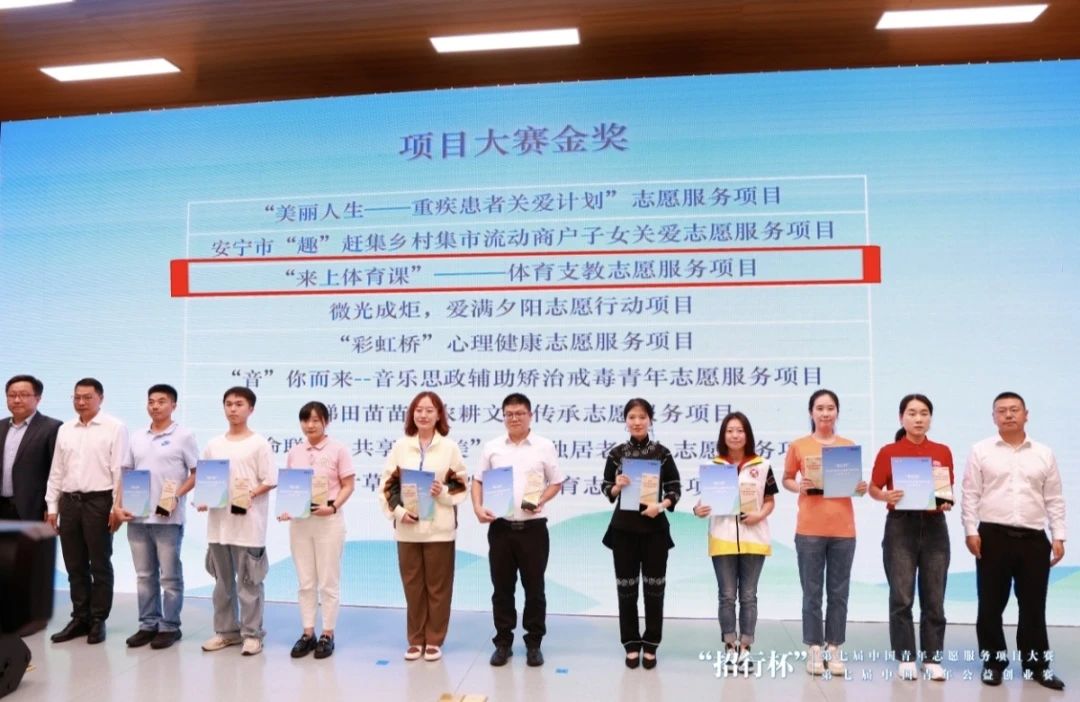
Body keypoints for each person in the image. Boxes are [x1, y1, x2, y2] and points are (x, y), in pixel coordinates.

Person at [961, 391, 1066, 691]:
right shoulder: (981, 450)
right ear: (993, 417)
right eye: (1002, 410)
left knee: (1034, 605)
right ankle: (993, 663)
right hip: (992, 536)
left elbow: (1054, 498)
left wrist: (1058, 535)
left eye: (1014, 409)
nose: (1008, 415)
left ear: (1026, 414)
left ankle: (1037, 666)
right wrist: (970, 530)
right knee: (990, 605)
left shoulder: (1044, 453)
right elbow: (970, 494)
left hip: (1034, 539)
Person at [472, 392, 565, 667]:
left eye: (520, 413)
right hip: (501, 528)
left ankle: (534, 643)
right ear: (503, 417)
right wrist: (477, 507)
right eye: (509, 414)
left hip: (533, 529)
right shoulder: (492, 447)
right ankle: (503, 643)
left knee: (534, 588)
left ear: (530, 416)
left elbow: (556, 482)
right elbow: (477, 480)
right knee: (502, 588)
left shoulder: (544, 446)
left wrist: (541, 499)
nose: (514, 418)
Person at [377, 391, 468, 662]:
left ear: (439, 415)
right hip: (407, 529)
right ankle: (416, 639)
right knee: (413, 586)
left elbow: (461, 485)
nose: (423, 415)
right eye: (418, 410)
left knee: (438, 588)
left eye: (429, 410)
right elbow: (387, 485)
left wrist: (442, 491)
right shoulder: (401, 447)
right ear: (412, 414)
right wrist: (399, 511)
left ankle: (434, 640)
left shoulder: (449, 448)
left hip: (439, 530)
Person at [782, 388, 867, 676]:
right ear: (811, 412)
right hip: (809, 529)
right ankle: (814, 648)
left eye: (830, 408)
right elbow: (787, 479)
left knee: (839, 592)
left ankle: (834, 647)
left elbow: (854, 486)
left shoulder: (847, 446)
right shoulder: (799, 446)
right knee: (812, 593)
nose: (825, 413)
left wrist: (860, 487)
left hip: (843, 529)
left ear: (837, 412)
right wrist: (799, 486)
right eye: (820, 408)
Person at [868, 394, 953, 681]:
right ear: (901, 418)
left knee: (934, 596)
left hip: (934, 526)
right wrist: (886, 496)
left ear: (930, 418)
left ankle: (932, 658)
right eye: (912, 413)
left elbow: (945, 491)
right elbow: (874, 488)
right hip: (900, 526)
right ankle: (906, 656)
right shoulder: (889, 451)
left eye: (924, 413)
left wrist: (945, 501)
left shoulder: (942, 451)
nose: (918, 419)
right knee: (902, 596)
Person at [114, 384, 199, 650]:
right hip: (137, 516)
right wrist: (117, 505)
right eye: (151, 401)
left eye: (161, 401)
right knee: (144, 575)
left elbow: (196, 473)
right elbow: (126, 473)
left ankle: (170, 626)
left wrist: (176, 496)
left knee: (170, 577)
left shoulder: (183, 435)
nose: (155, 406)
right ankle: (148, 624)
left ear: (174, 405)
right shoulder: (137, 436)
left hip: (167, 519)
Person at [45, 378, 128, 645]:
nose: (81, 402)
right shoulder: (65, 429)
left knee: (99, 564)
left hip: (99, 502)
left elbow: (119, 471)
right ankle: (80, 617)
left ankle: (98, 619)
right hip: (69, 502)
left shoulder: (115, 427)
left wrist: (116, 506)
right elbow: (57, 470)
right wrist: (52, 507)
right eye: (77, 397)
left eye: (87, 397)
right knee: (74, 564)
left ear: (100, 398)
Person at [196, 386, 278, 657]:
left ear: (250, 409)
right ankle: (226, 632)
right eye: (228, 404)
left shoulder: (259, 443)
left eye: (239, 404)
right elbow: (207, 479)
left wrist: (249, 494)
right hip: (219, 526)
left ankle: (252, 634)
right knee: (222, 584)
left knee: (249, 583)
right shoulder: (213, 444)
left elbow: (270, 479)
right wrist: (204, 498)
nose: (233, 408)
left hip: (248, 526)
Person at [600, 398, 680, 670]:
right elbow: (606, 487)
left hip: (655, 530)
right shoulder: (616, 454)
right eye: (632, 417)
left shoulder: (662, 453)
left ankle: (652, 643)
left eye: (642, 417)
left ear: (650, 420)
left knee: (655, 590)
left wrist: (661, 505)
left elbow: (674, 489)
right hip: (623, 530)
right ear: (625, 421)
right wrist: (617, 487)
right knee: (626, 590)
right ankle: (631, 643)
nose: (637, 422)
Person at [693, 411, 777, 674]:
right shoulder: (715, 466)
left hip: (754, 538)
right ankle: (730, 645)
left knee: (749, 596)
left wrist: (759, 515)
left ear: (747, 435)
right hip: (723, 538)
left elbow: (770, 500)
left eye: (740, 430)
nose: (735, 435)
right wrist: (698, 509)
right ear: (723, 435)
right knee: (727, 596)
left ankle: (746, 647)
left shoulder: (762, 465)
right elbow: (704, 502)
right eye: (730, 430)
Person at [280, 401, 355, 660]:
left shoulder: (338, 449)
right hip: (301, 523)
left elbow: (348, 485)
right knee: (305, 581)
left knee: (328, 581)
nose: (310, 425)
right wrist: (287, 508)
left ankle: (328, 633)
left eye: (315, 420)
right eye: (305, 420)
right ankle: (308, 633)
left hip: (328, 522)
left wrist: (333, 507)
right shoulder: (295, 452)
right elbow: (291, 487)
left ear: (326, 422)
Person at [0, 374, 62, 521]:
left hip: (33, 509)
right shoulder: (1, 426)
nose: (17, 400)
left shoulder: (52, 427)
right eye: (12, 395)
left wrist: (51, 508)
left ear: (38, 398)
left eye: (23, 395)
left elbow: (57, 471)